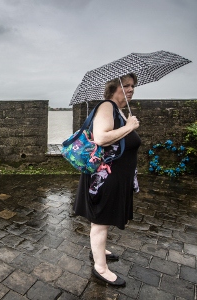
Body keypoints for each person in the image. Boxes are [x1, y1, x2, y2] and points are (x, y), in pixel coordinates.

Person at [73, 73, 141, 286]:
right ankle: (100, 268)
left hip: (115, 177)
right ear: (113, 88)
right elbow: (101, 137)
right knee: (100, 221)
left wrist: (127, 124)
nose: (130, 89)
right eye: (126, 86)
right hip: (104, 178)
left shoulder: (119, 111)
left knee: (103, 218)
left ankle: (99, 250)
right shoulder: (106, 107)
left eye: (133, 86)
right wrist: (129, 127)